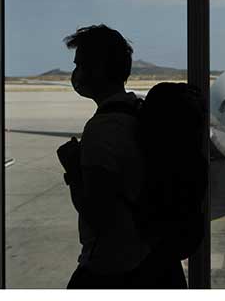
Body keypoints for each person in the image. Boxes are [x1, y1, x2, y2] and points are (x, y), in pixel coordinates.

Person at [57, 24, 187, 289]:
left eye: (80, 65)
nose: (75, 73)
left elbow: (97, 214)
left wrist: (73, 171)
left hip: (117, 267)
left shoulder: (102, 129)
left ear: (98, 70)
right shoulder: (141, 112)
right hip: (159, 261)